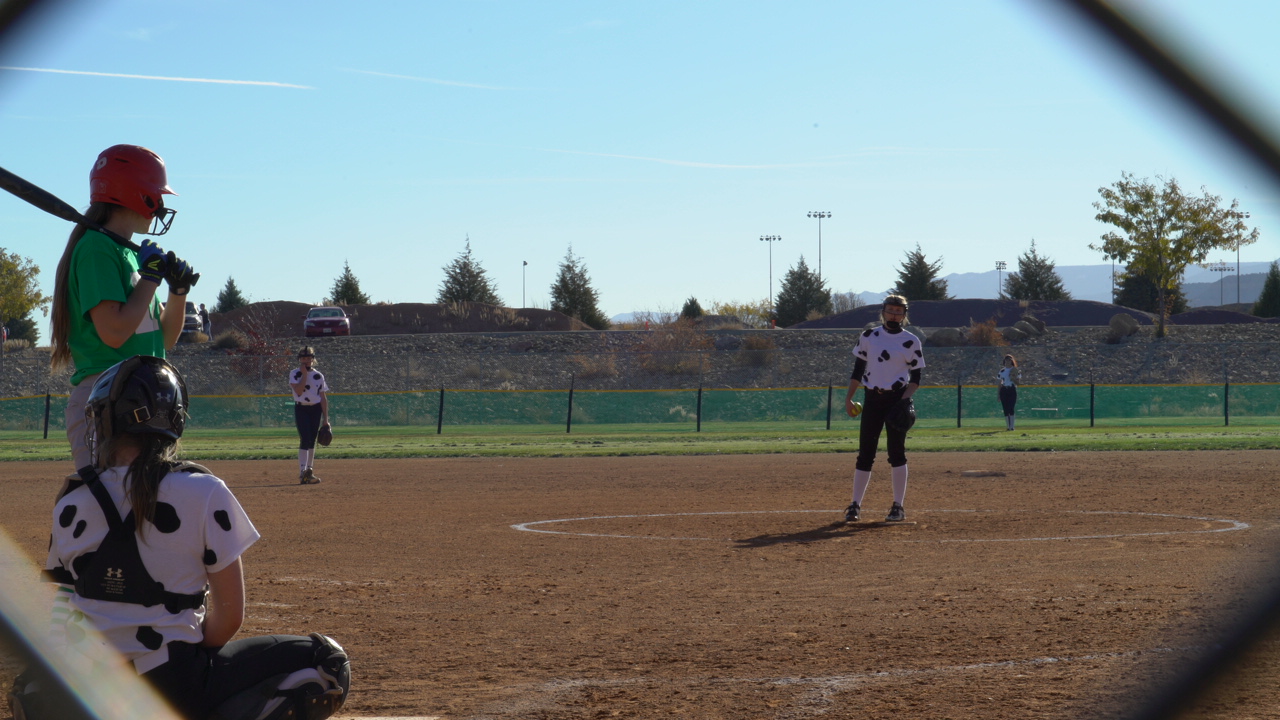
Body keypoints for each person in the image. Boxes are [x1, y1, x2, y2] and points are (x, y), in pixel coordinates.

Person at [24, 355, 350, 720]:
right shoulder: (203, 490)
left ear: (103, 420)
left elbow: (62, 604)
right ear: (175, 420)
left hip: (84, 685)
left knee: (30, 686)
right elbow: (229, 618)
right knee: (326, 662)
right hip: (171, 683)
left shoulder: (72, 497)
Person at [50, 144, 198, 472]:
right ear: (137, 194)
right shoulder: (97, 249)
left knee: (148, 512)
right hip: (107, 397)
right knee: (113, 512)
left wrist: (177, 291)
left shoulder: (131, 253)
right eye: (156, 196)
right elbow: (114, 332)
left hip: (146, 394)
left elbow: (166, 339)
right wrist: (150, 278)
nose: (159, 205)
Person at [842, 295, 925, 523]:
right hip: (872, 399)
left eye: (899, 311)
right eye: (890, 310)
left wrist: (904, 400)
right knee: (865, 454)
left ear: (905, 314)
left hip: (896, 399)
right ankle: (854, 506)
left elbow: (916, 378)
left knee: (896, 453)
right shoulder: (869, 336)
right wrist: (849, 398)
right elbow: (858, 371)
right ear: (883, 311)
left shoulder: (911, 341)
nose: (894, 315)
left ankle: (898, 507)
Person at [289, 347, 329, 484]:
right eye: (302, 359)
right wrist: (304, 374)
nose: (305, 361)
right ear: (299, 360)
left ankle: (309, 471)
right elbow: (299, 391)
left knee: (312, 439)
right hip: (302, 409)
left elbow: (323, 398)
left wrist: (326, 419)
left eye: (308, 358)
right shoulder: (294, 373)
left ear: (313, 359)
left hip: (316, 409)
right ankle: (302, 472)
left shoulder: (319, 375)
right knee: (304, 438)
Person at [998, 354, 1021, 431]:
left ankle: (1012, 426)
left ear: (1012, 361)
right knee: (1005, 409)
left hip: (1011, 389)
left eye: (1009, 360)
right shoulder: (1002, 371)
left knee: (1011, 408)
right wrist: (998, 395)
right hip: (1004, 390)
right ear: (1004, 361)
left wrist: (1013, 378)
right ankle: (1008, 426)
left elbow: (1018, 383)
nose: (1008, 362)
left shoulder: (1015, 370)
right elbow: (1000, 383)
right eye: (1006, 360)